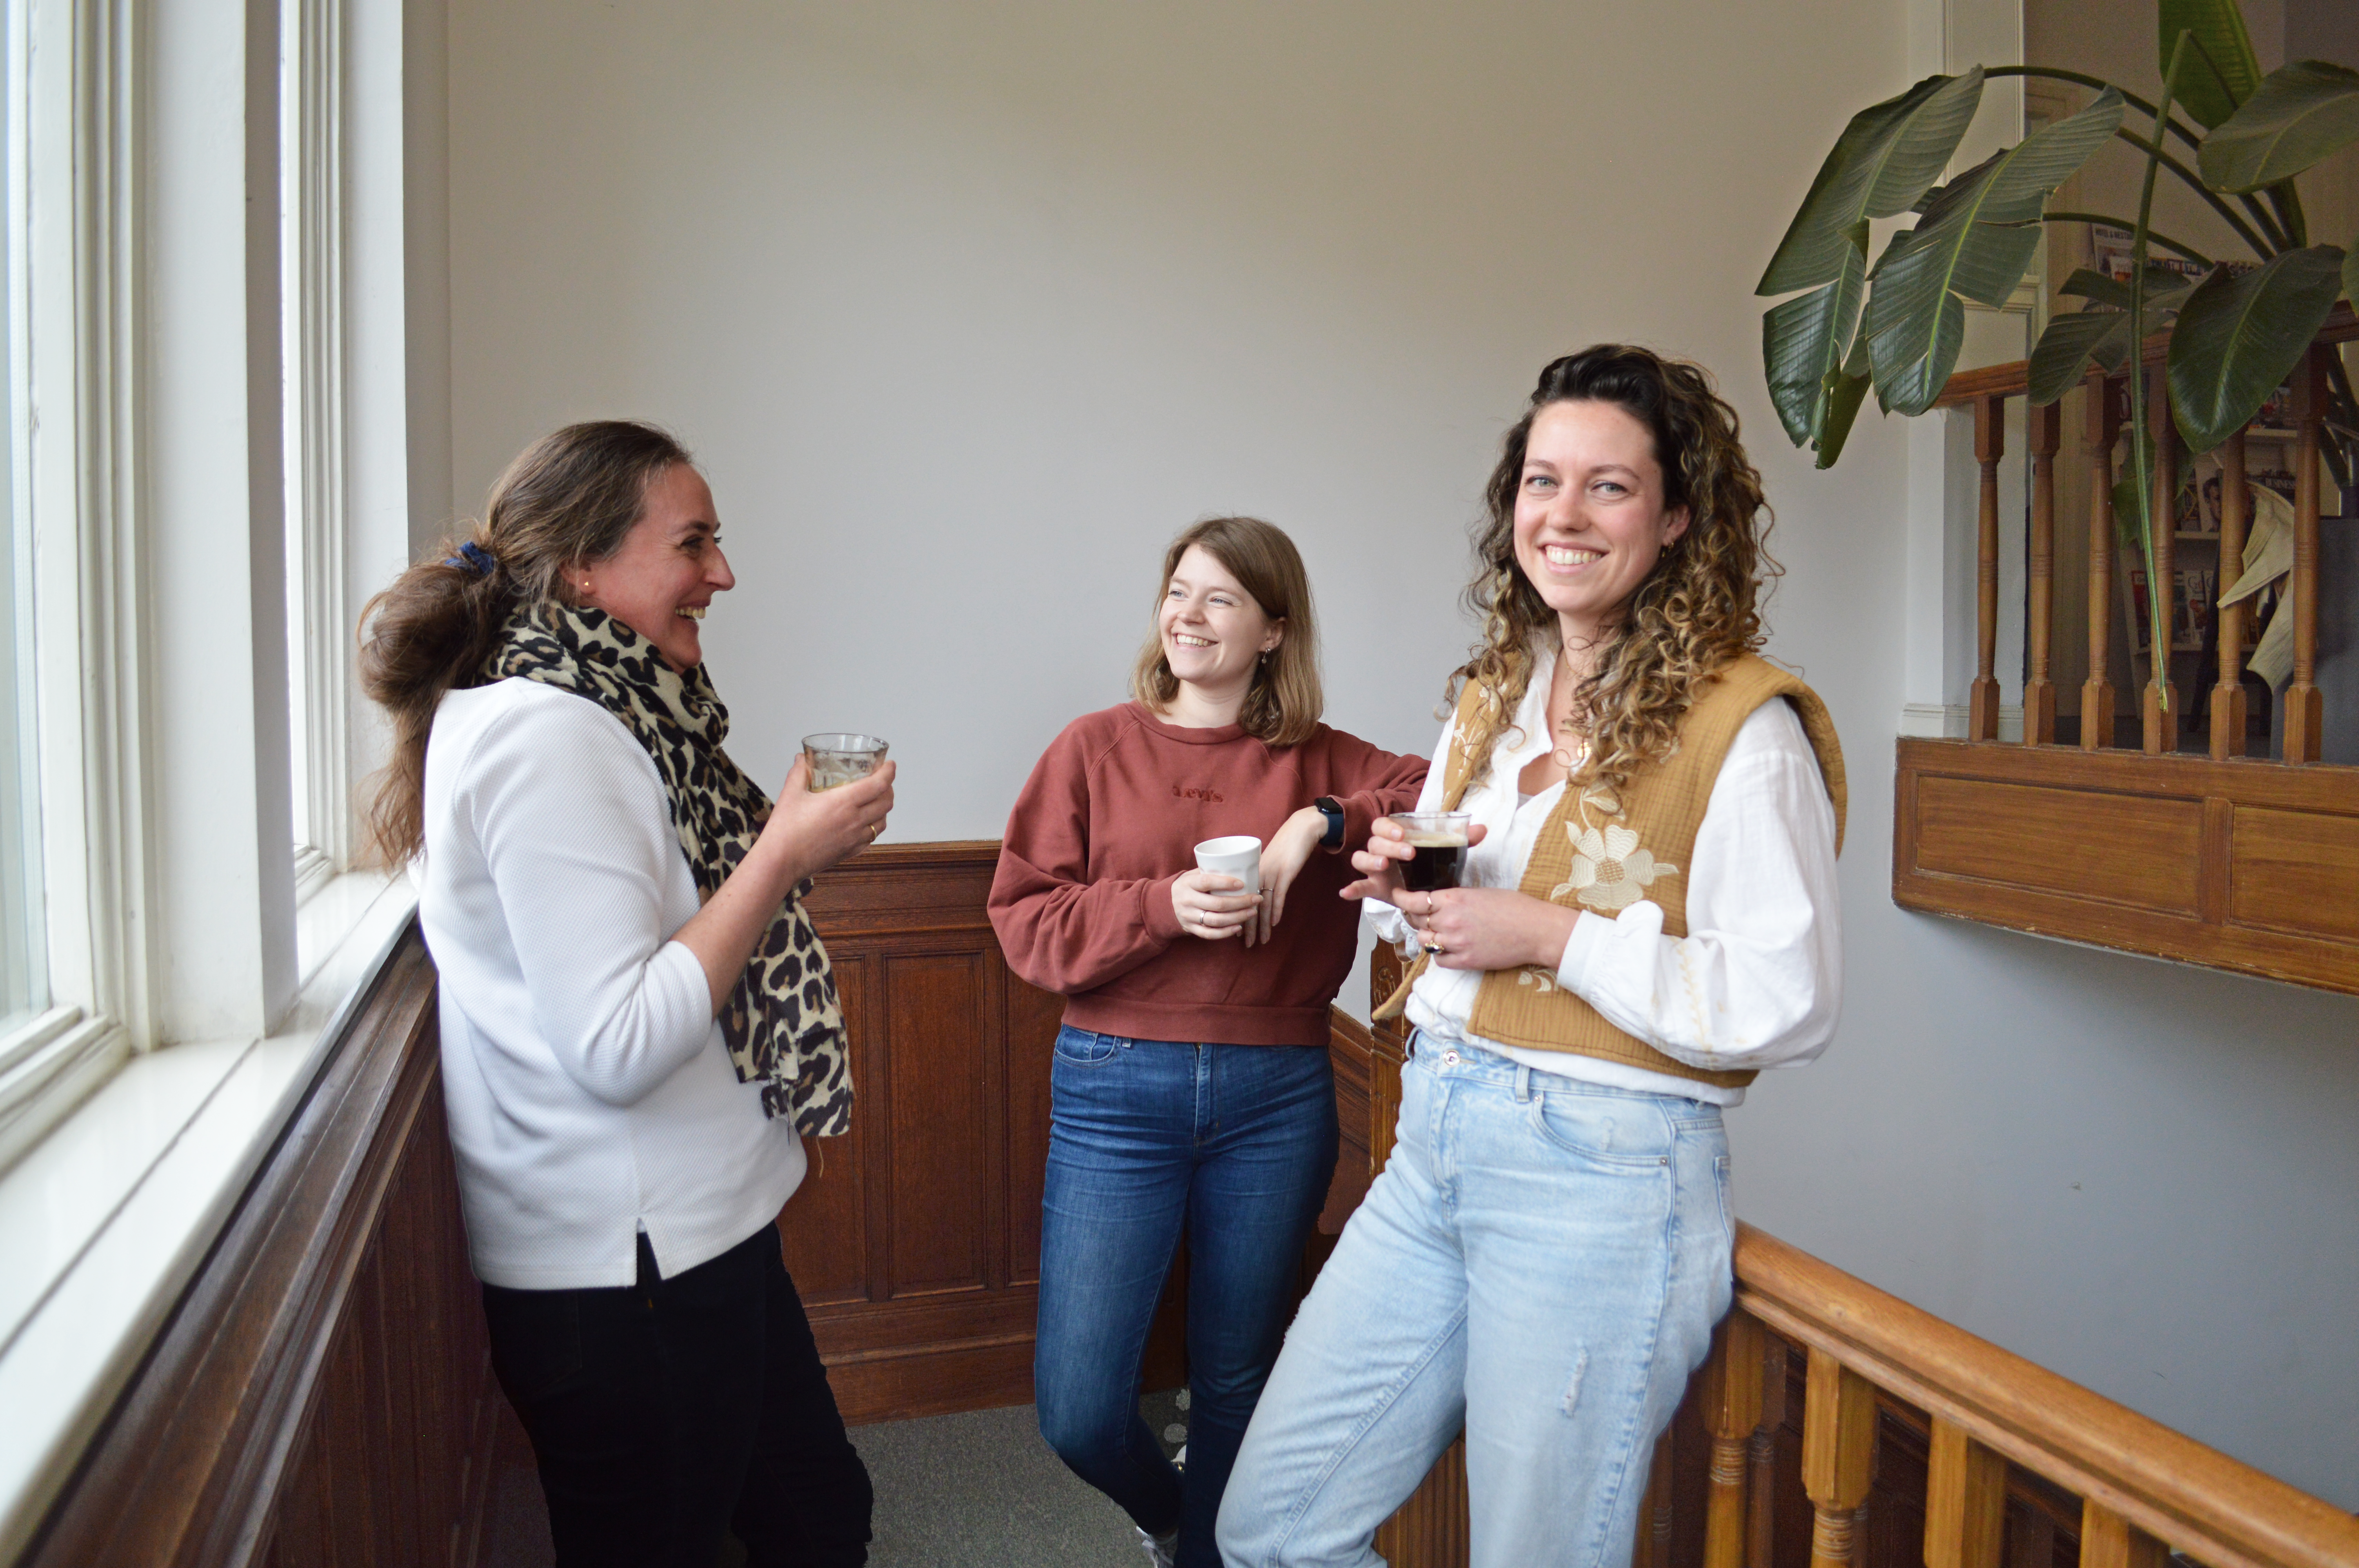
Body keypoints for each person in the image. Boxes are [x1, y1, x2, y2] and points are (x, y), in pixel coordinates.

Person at [1215, 346, 1846, 1568]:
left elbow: (1790, 1001)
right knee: (1272, 1529)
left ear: (1676, 518)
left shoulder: (1746, 726)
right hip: (1435, 1145)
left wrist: (1551, 935)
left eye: (1610, 486)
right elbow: (1465, 920)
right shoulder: (1496, 697)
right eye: (1542, 481)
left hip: (1603, 1183)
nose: (1563, 514)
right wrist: (1405, 897)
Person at [358, 421, 887, 1567]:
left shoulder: (589, 708)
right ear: (583, 572)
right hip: (633, 1273)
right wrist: (782, 857)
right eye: (692, 543)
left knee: (816, 1518)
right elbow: (616, 1044)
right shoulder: (553, 736)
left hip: (684, 1246)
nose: (723, 573)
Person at [989, 516, 1428, 1568]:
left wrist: (1316, 822)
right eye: (1178, 591)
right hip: (1113, 1086)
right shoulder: (1093, 748)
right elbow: (1025, 923)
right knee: (1079, 1410)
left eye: (1221, 598)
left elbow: (1446, 793)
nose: (1188, 615)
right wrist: (1163, 906)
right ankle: (1179, 1517)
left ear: (1274, 630)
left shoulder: (1324, 758)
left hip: (1279, 1093)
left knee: (1237, 1377)